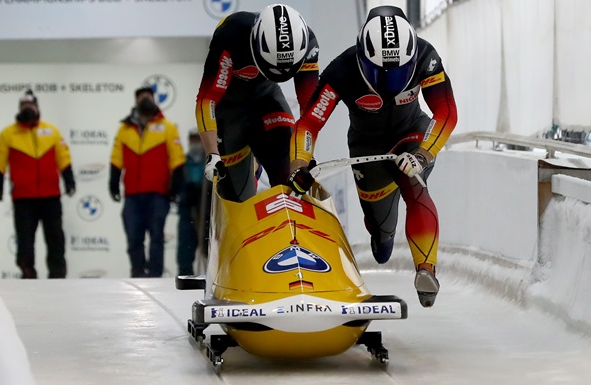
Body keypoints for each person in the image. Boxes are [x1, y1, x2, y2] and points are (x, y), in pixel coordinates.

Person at [288, 6, 458, 308]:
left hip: (411, 135)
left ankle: (426, 270)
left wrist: (423, 154)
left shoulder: (425, 57)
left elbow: (445, 112)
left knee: (414, 184)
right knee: (381, 239)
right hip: (367, 149)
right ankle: (383, 237)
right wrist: (299, 164)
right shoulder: (342, 70)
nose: (390, 80)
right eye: (381, 71)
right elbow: (310, 122)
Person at [196, 3, 319, 202]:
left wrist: (304, 158)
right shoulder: (232, 34)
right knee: (238, 199)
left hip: (266, 99)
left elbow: (310, 113)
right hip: (229, 108)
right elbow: (207, 98)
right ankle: (251, 164)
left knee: (291, 181)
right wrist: (212, 154)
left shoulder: (308, 44)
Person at [0, 90, 76, 279]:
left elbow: (63, 158)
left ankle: (57, 274)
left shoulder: (52, 131)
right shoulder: (8, 134)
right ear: (19, 109)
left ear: (38, 108)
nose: (27, 109)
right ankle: (27, 272)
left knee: (55, 238)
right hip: (23, 197)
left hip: (50, 196)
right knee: (25, 240)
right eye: (23, 106)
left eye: (30, 105)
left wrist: (69, 181)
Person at [110, 87, 185, 278]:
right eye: (141, 96)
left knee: (156, 236)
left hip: (158, 194)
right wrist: (113, 181)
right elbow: (116, 158)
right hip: (132, 195)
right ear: (135, 101)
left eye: (148, 96)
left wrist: (175, 187)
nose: (145, 99)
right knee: (134, 237)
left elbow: (177, 159)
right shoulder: (124, 130)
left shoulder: (168, 127)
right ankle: (137, 272)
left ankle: (155, 275)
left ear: (154, 99)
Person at [176, 130, 206, 276]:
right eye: (192, 139)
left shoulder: (209, 161)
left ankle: (210, 278)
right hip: (187, 209)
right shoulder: (182, 161)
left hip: (205, 209)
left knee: (208, 247)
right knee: (185, 248)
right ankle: (185, 276)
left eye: (197, 139)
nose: (195, 143)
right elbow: (175, 184)